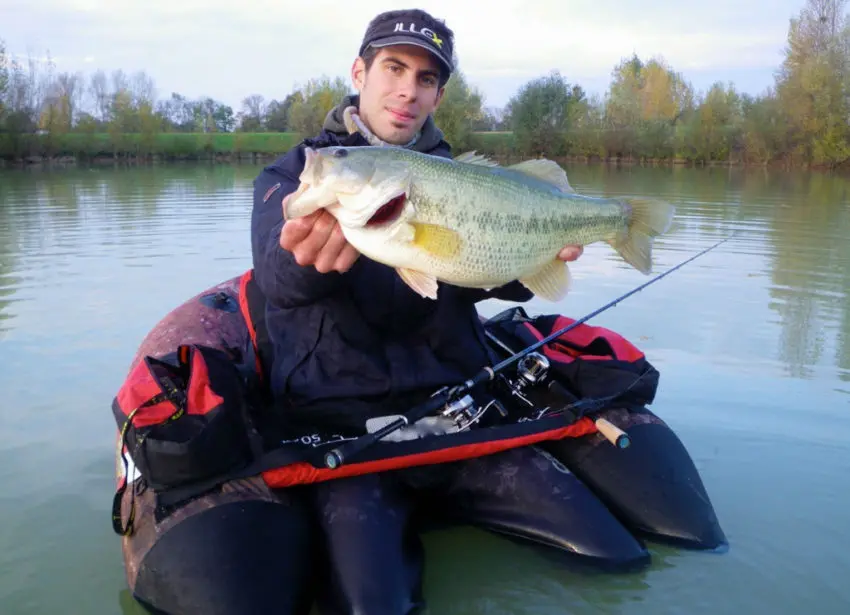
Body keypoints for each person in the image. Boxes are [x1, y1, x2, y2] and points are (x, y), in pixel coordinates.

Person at [249, 8, 651, 615]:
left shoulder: (459, 176)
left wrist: (527, 264)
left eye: (427, 78)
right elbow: (275, 279)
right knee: (373, 605)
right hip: (347, 435)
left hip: (457, 417)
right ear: (359, 72)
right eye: (393, 67)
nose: (408, 89)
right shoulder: (296, 173)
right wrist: (302, 261)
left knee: (618, 559)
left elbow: (477, 278)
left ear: (438, 93)